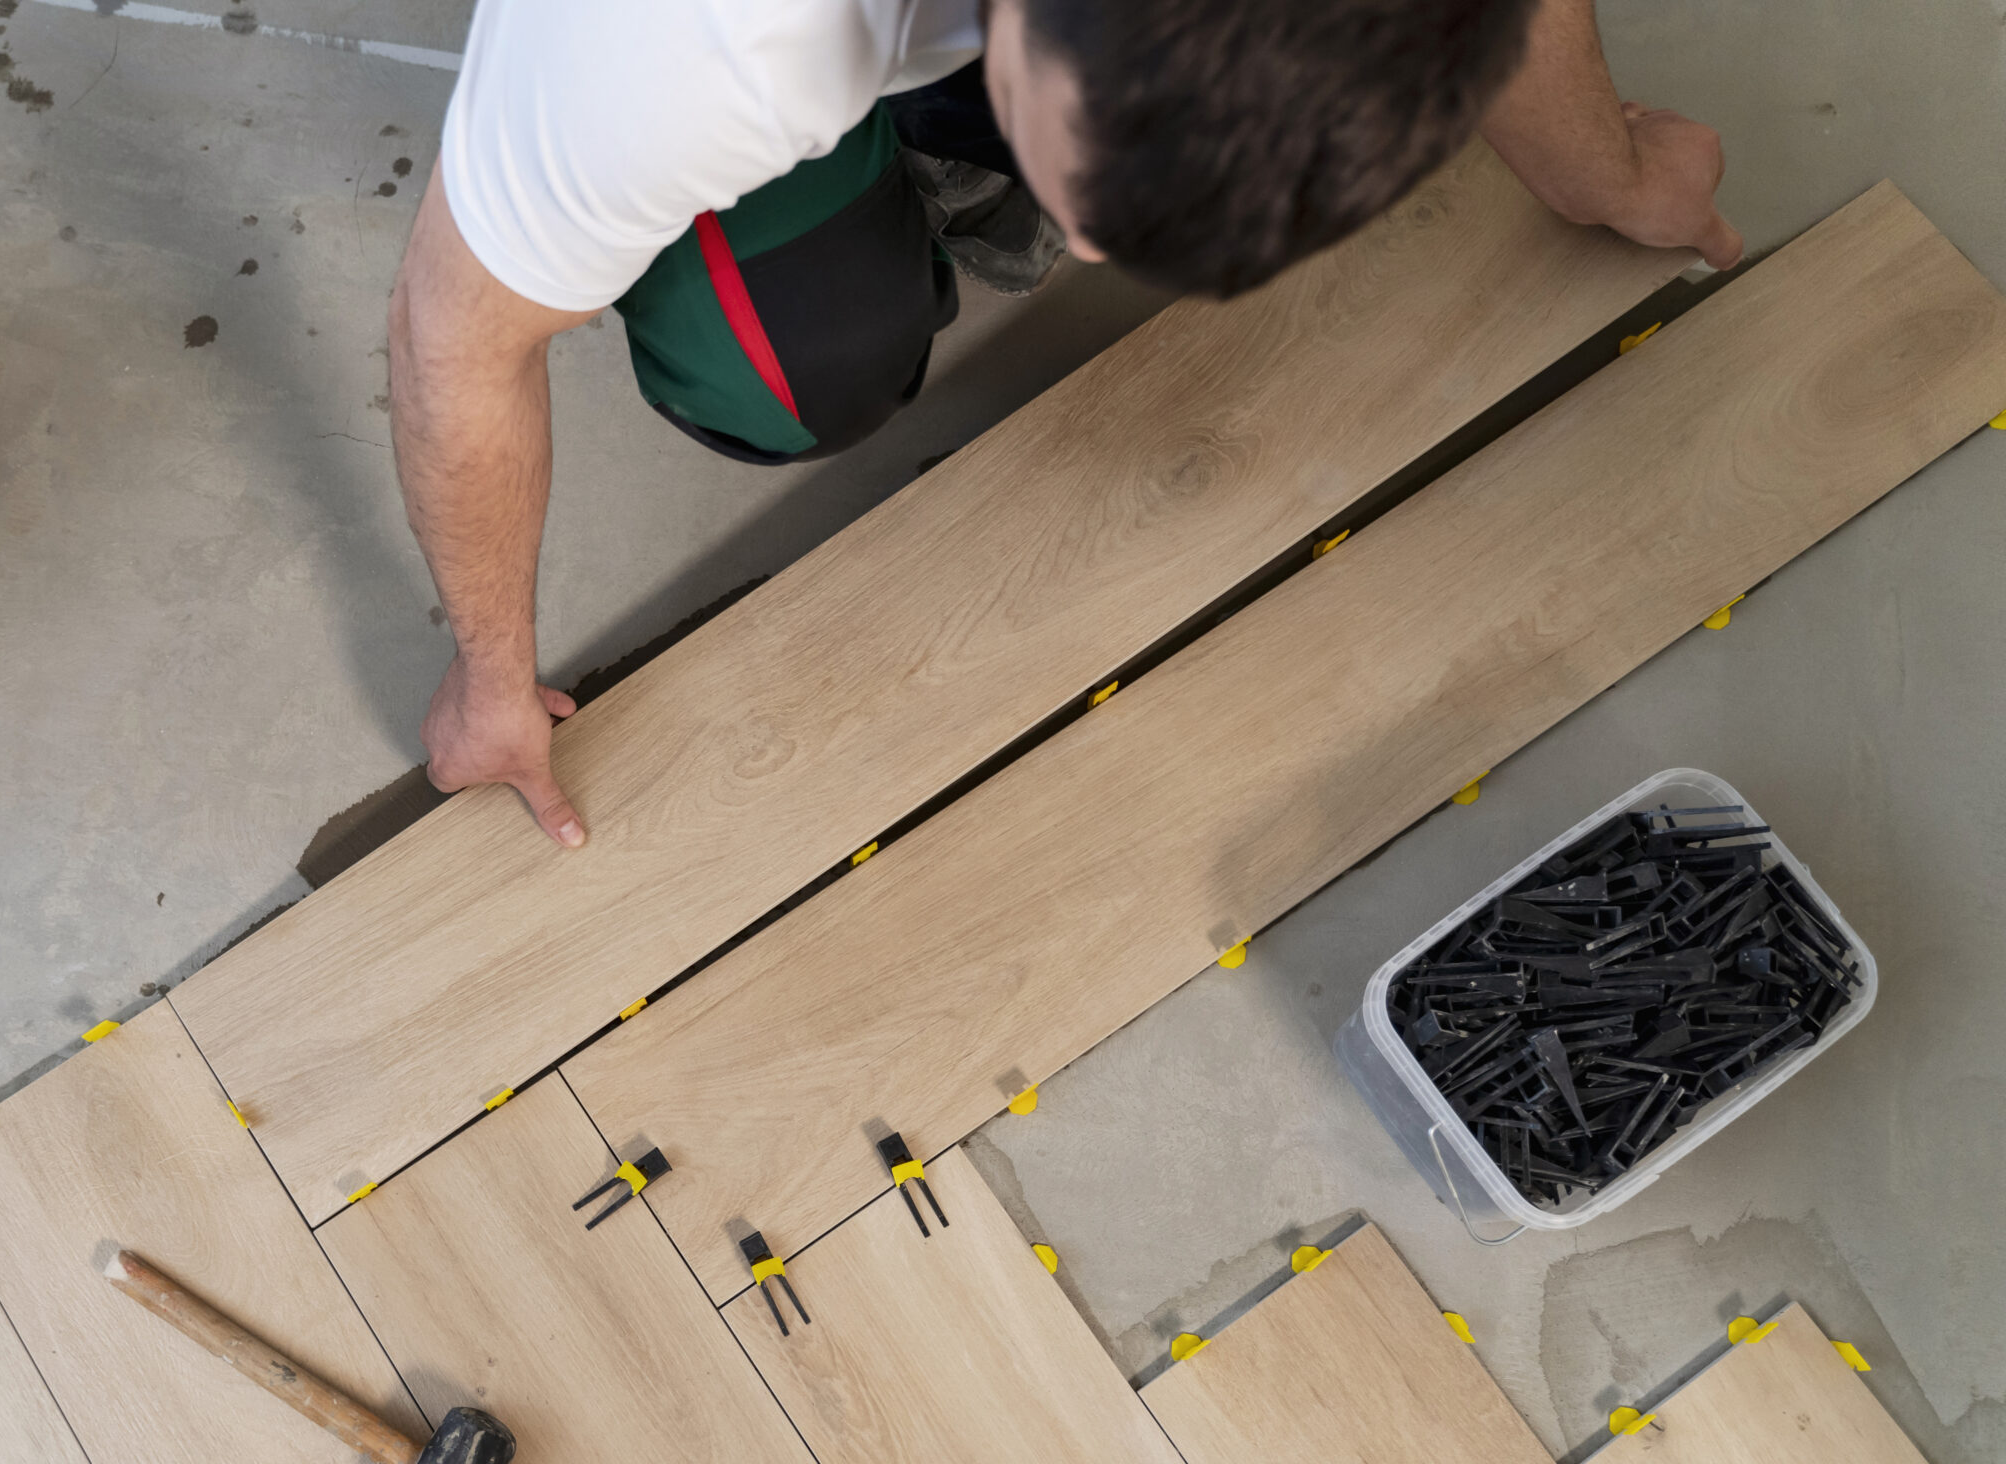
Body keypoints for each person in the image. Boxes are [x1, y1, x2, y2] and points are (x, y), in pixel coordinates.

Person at [389, 0, 1742, 848]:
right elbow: (454, 340)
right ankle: (896, 152)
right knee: (800, 368)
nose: (1086, 254)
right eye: (1097, 206)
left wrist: (1612, 175)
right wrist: (490, 681)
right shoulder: (688, 47)